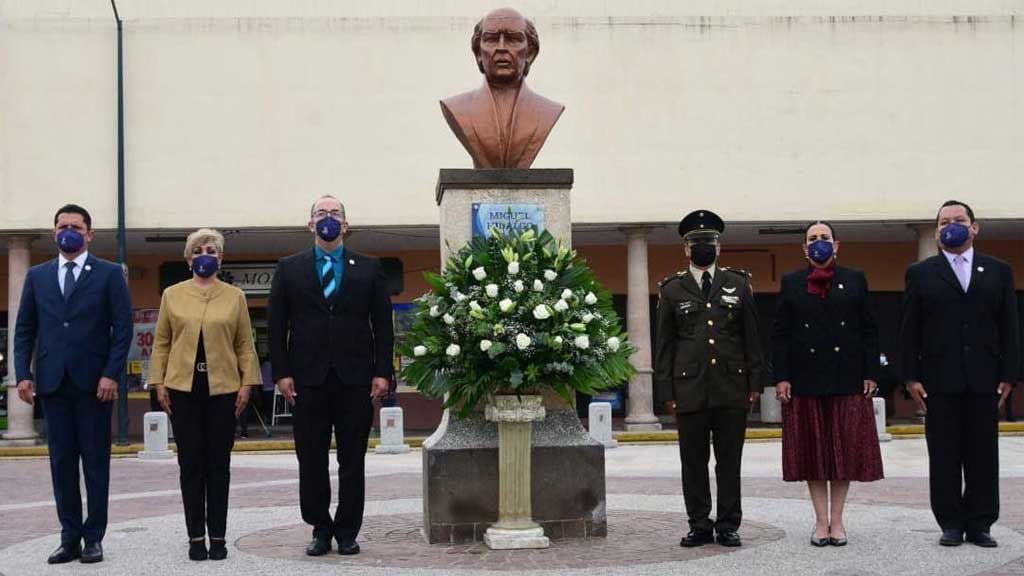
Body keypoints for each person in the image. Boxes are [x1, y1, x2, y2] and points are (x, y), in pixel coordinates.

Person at [269, 195, 394, 556]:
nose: (328, 218)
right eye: (321, 213)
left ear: (346, 224)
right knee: (310, 458)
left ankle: (347, 531)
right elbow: (277, 327)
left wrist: (382, 372)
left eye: (335, 213)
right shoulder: (289, 268)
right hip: (307, 379)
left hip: (355, 378)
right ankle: (320, 528)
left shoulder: (369, 268)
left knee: (352, 459)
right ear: (310, 224)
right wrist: (281, 373)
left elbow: (383, 326)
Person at [13, 204, 132, 564]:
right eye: (63, 226)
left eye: (76, 226)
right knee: (61, 464)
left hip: (95, 384)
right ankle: (69, 537)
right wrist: (23, 373)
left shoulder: (110, 274)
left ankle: (94, 537)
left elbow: (122, 329)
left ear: (89, 234)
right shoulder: (37, 276)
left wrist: (111, 372)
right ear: (53, 233)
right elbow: (25, 330)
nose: (69, 231)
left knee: (95, 463)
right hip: (53, 384)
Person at [900, 200, 1019, 548]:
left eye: (959, 220)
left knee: (984, 454)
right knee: (944, 454)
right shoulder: (921, 273)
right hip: (938, 380)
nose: (951, 225)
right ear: (936, 232)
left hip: (986, 378)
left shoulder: (998, 271)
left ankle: (981, 523)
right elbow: (909, 329)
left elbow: (1009, 326)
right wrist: (910, 377)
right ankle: (951, 522)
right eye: (944, 222)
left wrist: (1010, 375)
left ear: (975, 227)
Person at [655, 209, 768, 548]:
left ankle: (729, 524)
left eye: (709, 242)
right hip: (688, 389)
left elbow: (752, 338)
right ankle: (699, 524)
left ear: (719, 248)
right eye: (696, 243)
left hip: (731, 387)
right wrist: (666, 391)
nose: (703, 247)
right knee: (693, 462)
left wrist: (754, 384)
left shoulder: (738, 283)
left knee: (729, 461)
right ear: (686, 250)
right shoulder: (672, 289)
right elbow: (665, 345)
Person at [148, 228, 261, 561]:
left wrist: (247, 383)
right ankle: (195, 537)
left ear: (221, 257)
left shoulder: (234, 296)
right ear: (188, 258)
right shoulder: (172, 295)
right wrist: (159, 381)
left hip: (223, 389)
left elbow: (244, 343)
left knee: (218, 465)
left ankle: (219, 537)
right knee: (190, 464)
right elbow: (162, 342)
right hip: (183, 388)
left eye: (210, 250)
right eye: (197, 251)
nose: (204, 255)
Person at [772, 221, 884, 547]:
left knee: (843, 454)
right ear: (804, 248)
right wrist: (781, 376)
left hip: (847, 378)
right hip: (805, 381)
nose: (818, 243)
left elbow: (869, 331)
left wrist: (871, 372)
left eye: (824, 238)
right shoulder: (792, 283)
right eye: (812, 239)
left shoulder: (855, 279)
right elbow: (780, 334)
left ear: (836, 245)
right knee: (814, 455)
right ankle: (820, 522)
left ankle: (838, 521)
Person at [441, 7, 564, 168]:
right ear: (478, 53)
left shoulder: (547, 111)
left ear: (530, 53)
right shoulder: (457, 108)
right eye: (491, 39)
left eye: (513, 39)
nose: (501, 47)